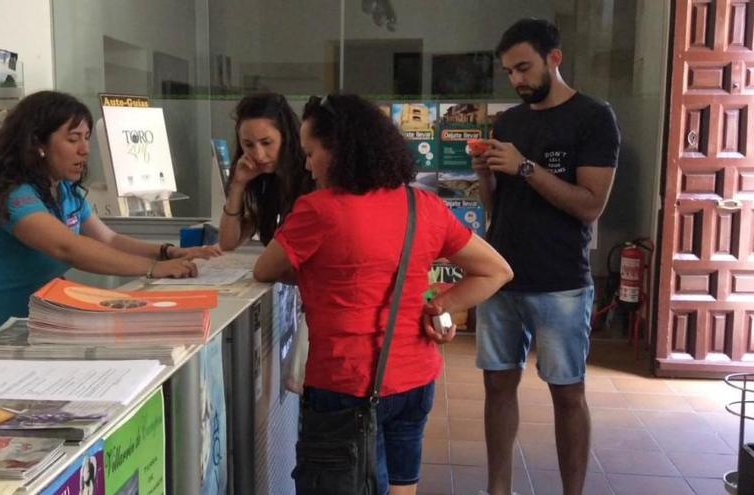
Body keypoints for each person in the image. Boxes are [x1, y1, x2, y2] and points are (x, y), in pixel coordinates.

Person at [253, 94, 513, 495]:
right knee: (402, 487)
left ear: (338, 151)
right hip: (414, 378)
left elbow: (264, 268)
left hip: (345, 382)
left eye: (309, 152)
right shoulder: (421, 205)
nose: (306, 164)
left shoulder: (318, 210)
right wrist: (440, 307)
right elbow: (496, 270)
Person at [0, 91, 221, 380]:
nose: (85, 149)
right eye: (73, 139)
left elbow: (107, 239)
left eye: (86, 138)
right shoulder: (12, 194)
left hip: (6, 335)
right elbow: (67, 247)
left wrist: (165, 253)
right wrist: (154, 269)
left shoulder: (64, 189)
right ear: (38, 144)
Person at [470, 18, 621, 495]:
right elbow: (498, 208)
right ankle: (498, 489)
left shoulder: (594, 118)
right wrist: (488, 176)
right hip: (501, 276)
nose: (516, 80)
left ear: (554, 59)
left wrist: (525, 166)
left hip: (560, 279)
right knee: (497, 386)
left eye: (523, 68)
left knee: (567, 392)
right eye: (509, 72)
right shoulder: (510, 121)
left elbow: (590, 205)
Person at [218, 93, 314, 250]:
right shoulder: (267, 183)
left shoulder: (311, 174)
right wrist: (238, 185)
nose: (259, 155)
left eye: (266, 143)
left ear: (286, 137)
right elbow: (227, 244)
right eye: (248, 145)